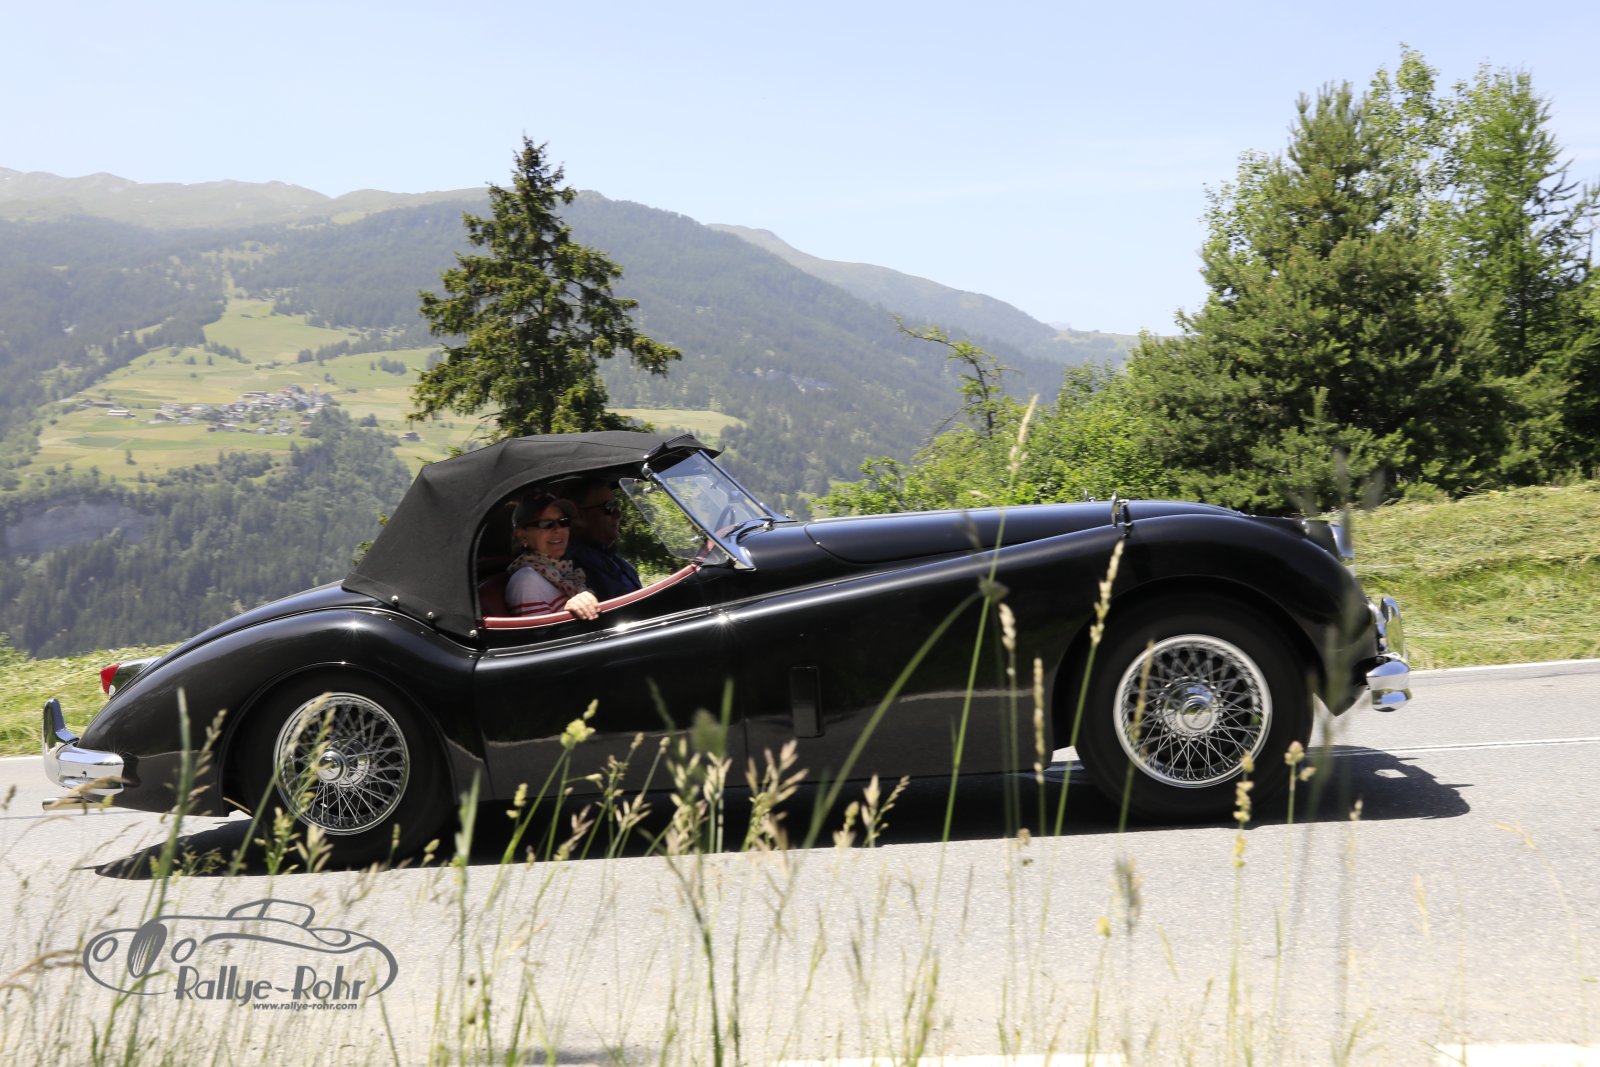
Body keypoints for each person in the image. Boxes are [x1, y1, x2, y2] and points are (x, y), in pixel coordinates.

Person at [506, 494, 601, 620]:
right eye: (546, 524)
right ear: (522, 536)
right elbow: (542, 632)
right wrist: (568, 613)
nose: (558, 529)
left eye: (563, 521)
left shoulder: (562, 572)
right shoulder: (527, 581)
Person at [558, 478, 642, 602]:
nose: (618, 514)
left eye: (616, 505)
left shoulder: (610, 558)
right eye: (609, 507)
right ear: (579, 517)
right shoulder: (575, 566)